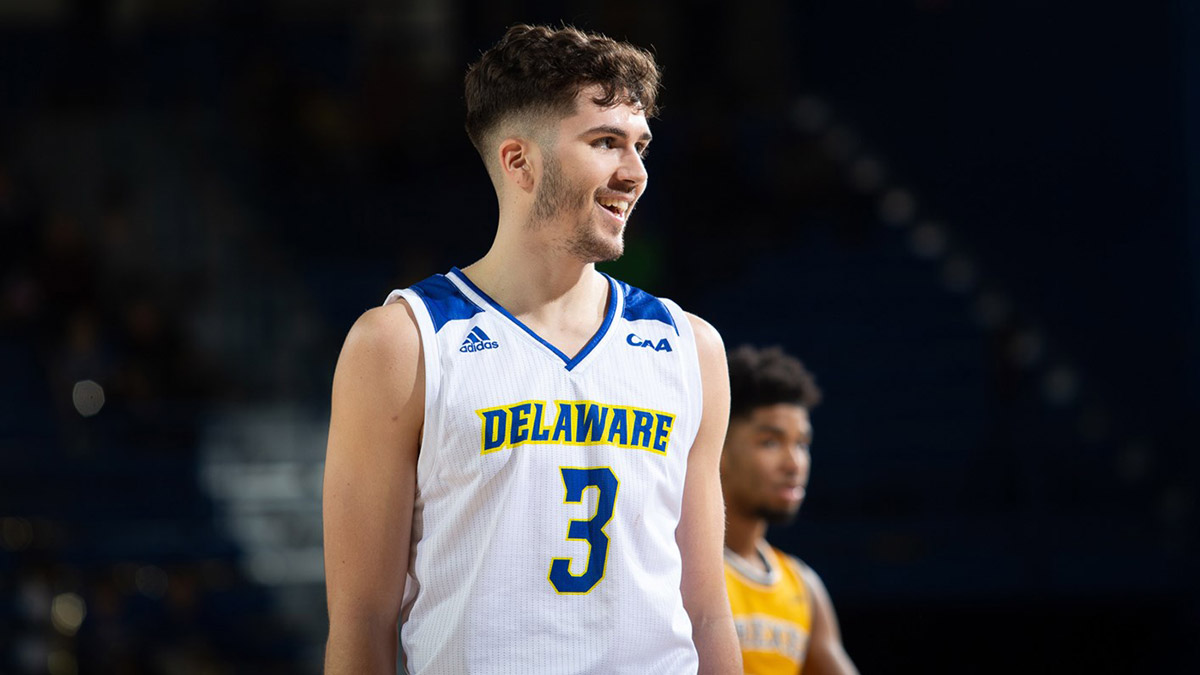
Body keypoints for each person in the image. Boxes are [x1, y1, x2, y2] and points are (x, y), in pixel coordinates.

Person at [322, 24, 742, 674]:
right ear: (520, 162)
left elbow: (708, 612)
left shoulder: (690, 346)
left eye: (641, 147)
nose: (634, 173)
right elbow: (362, 622)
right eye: (606, 143)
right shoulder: (403, 343)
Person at [721, 346, 858, 675]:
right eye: (770, 442)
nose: (794, 463)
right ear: (718, 448)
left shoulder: (803, 586)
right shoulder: (675, 568)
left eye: (801, 444)